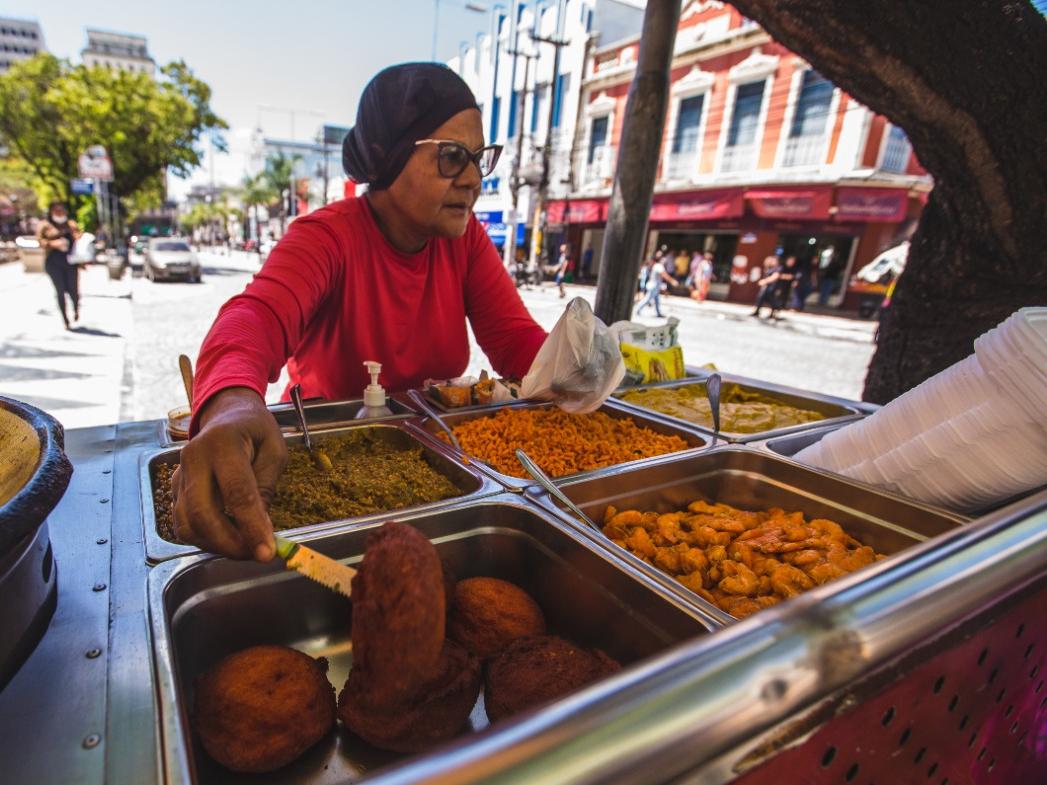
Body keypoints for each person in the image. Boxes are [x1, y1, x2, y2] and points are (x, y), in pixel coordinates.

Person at [173, 63, 563, 561]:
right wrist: (229, 403)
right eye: (451, 157)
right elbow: (257, 317)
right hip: (329, 460)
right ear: (390, 157)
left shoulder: (465, 242)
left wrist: (577, 363)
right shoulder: (329, 236)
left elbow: (515, 343)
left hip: (436, 460)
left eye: (477, 159)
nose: (472, 179)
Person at [36, 201, 81, 330]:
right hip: (53, 262)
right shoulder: (45, 225)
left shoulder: (71, 224)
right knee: (60, 290)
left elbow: (79, 237)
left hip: (71, 262)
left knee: (73, 289)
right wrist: (53, 243)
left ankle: (76, 309)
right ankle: (65, 320)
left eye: (62, 210)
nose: (60, 213)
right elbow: (40, 241)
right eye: (57, 211)